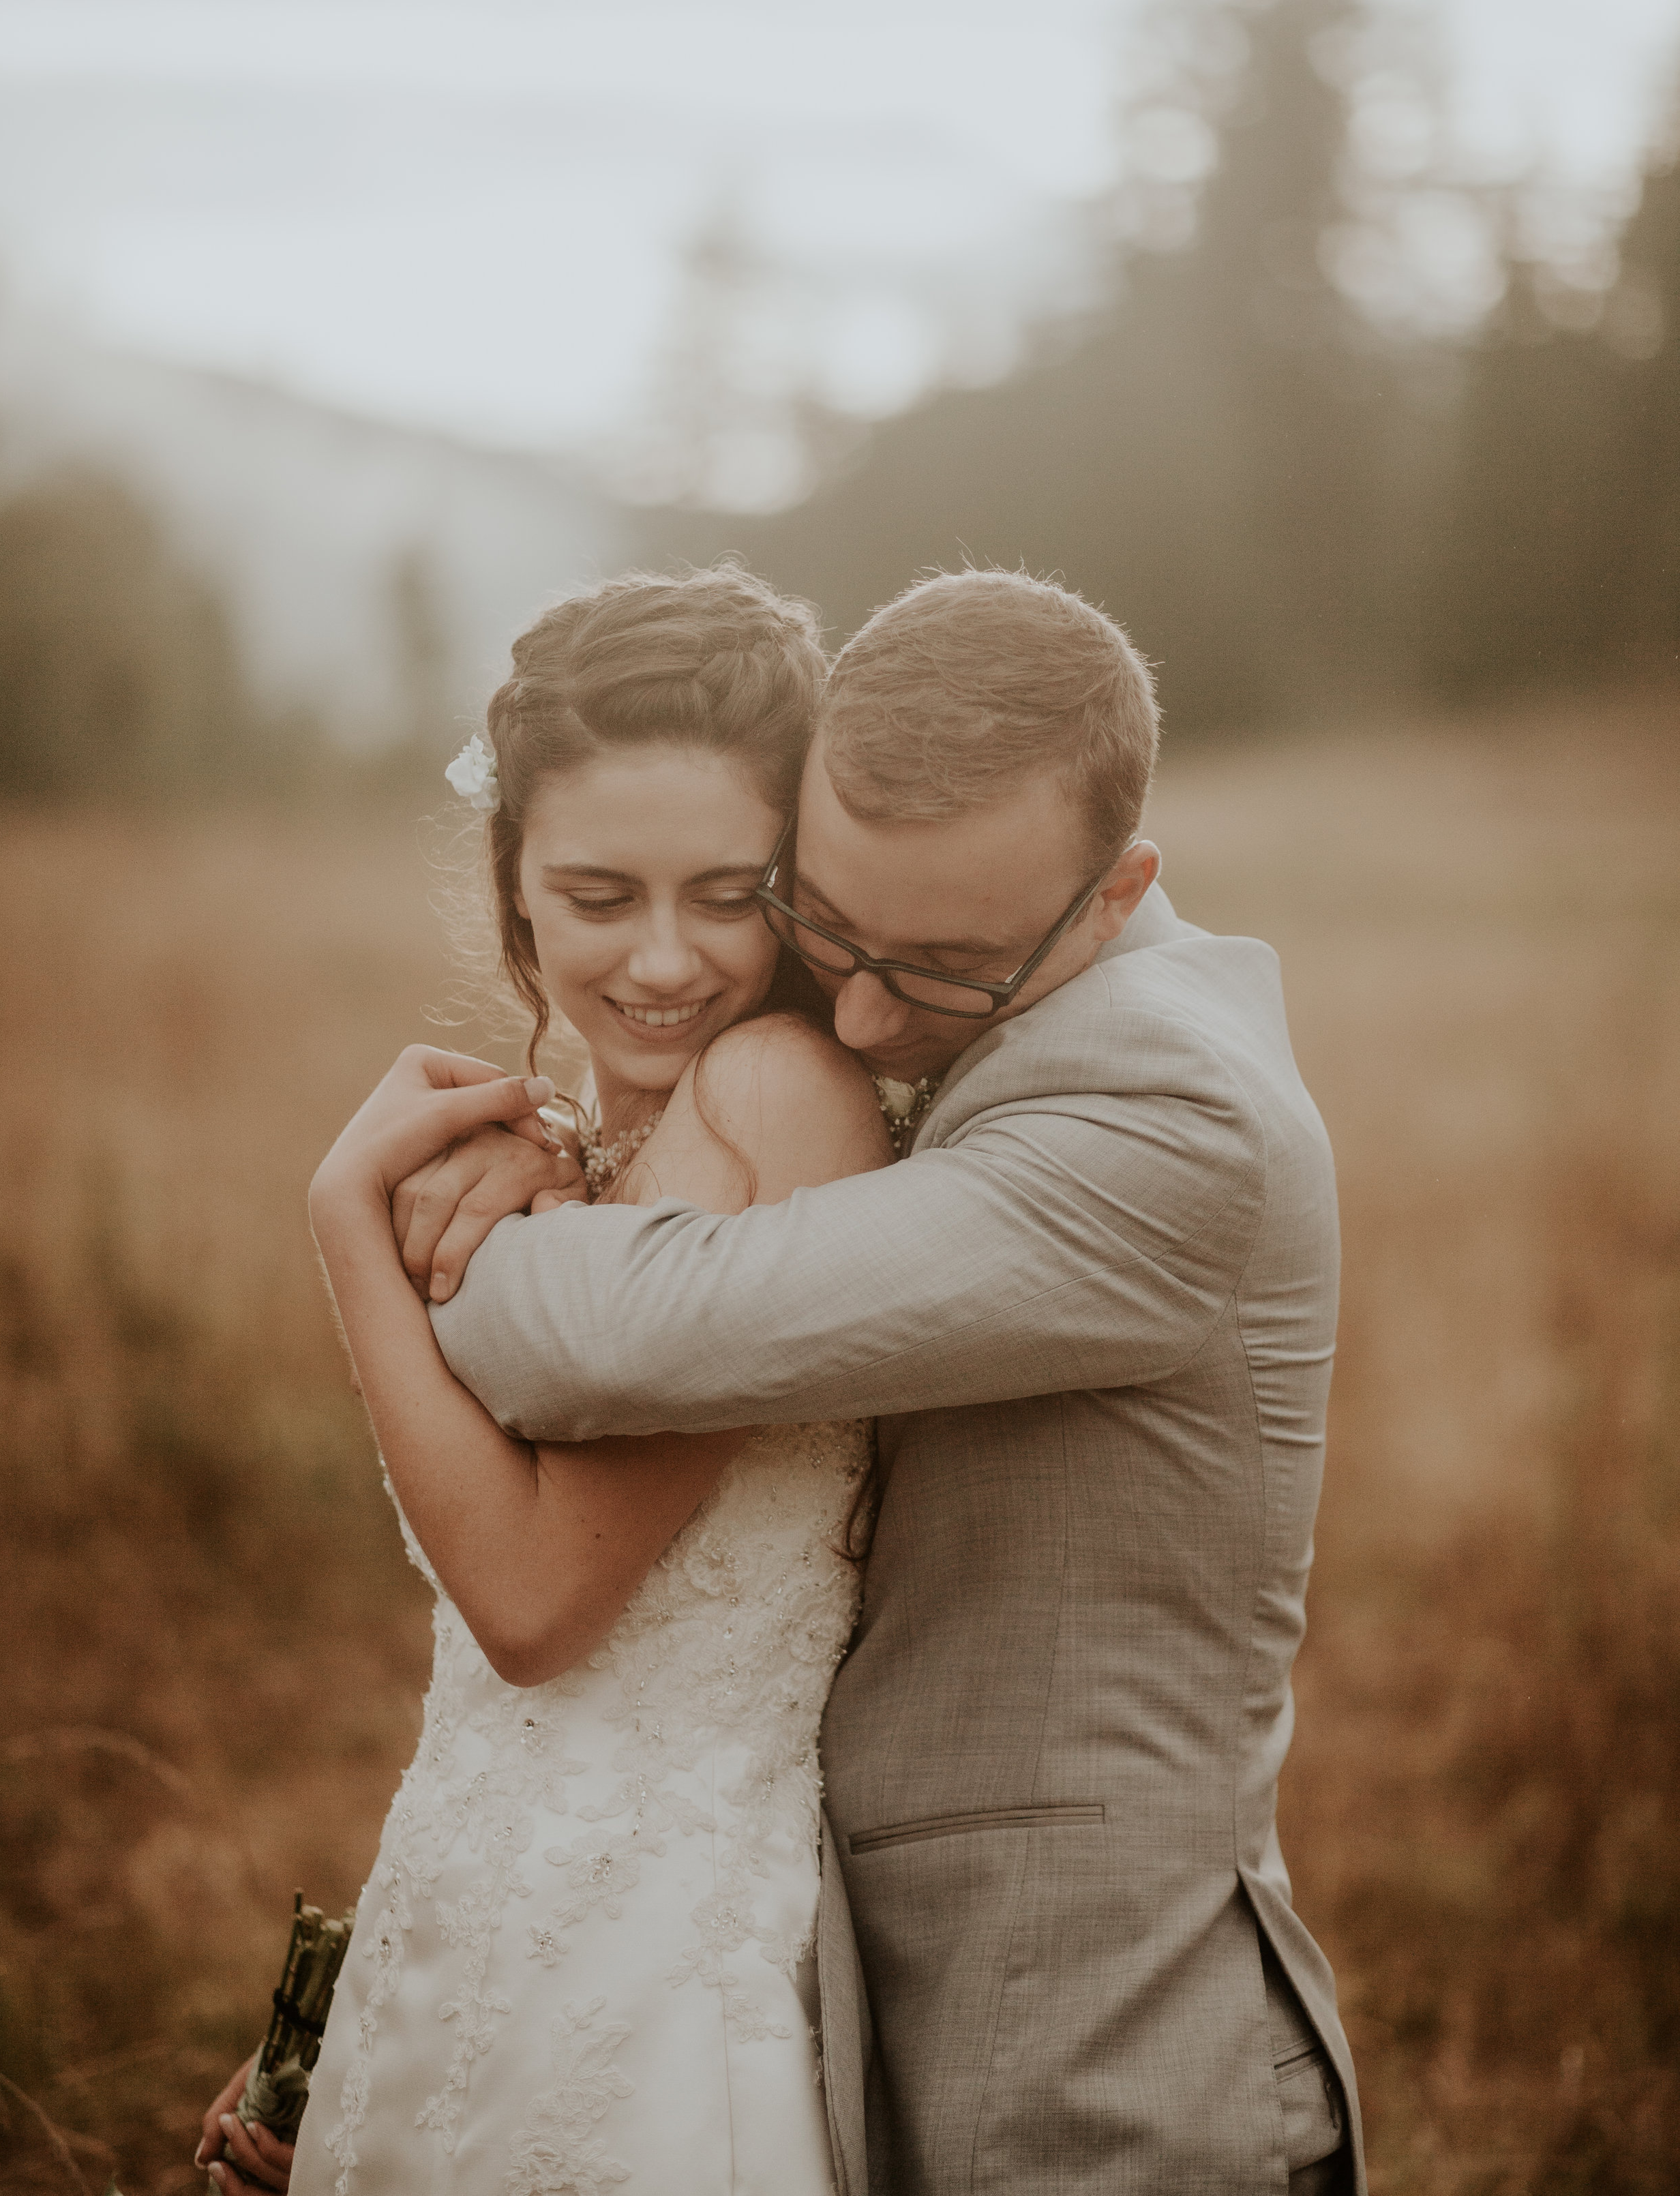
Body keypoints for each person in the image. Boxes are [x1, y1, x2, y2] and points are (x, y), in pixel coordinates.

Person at [398, 567, 1366, 2195]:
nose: (854, 1007)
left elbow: (618, 1340)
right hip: (812, 1998)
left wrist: (393, 1211)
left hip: (1094, 2067)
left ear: (1114, 889)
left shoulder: (1166, 1118)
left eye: (939, 964)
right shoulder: (918, 1045)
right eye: (823, 923)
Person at [194, 567, 894, 2196]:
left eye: (728, 893)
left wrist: (343, 1231)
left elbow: (533, 1605)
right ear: (511, 891)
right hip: (484, 1907)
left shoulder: (778, 1096)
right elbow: (508, 1702)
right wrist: (350, 2014)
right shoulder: (585, 1145)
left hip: (658, 1968)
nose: (664, 959)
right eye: (597, 895)